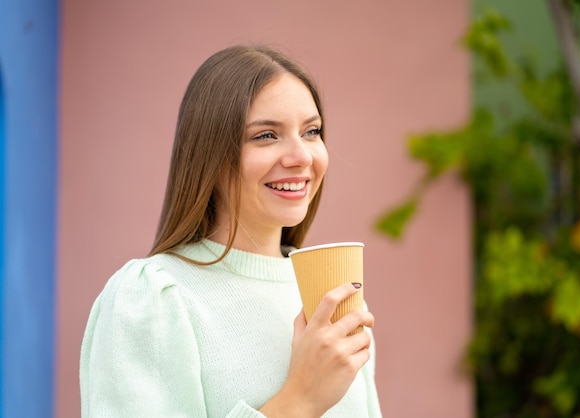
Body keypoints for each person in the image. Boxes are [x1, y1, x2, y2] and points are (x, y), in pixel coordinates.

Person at [80, 44, 382, 417]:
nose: (302, 156)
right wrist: (299, 401)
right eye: (266, 135)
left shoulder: (333, 299)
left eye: (312, 131)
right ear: (210, 152)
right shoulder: (156, 298)